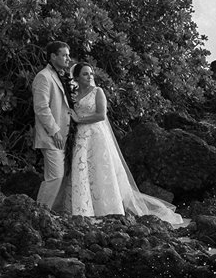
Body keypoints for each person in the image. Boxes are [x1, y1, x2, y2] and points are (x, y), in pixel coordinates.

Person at [68, 62, 185, 226]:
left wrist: (79, 119)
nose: (89, 77)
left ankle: (108, 210)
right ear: (77, 77)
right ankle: (84, 210)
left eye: (91, 73)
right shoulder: (73, 95)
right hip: (81, 137)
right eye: (85, 74)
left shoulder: (97, 92)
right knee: (82, 169)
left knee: (100, 170)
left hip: (96, 135)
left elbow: (101, 115)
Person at [32, 40, 73, 210]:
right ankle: (39, 211)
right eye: (64, 55)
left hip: (64, 136)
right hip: (51, 136)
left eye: (68, 55)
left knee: (62, 177)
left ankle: (53, 212)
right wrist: (55, 132)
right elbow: (41, 108)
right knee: (55, 176)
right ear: (53, 56)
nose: (68, 59)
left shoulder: (59, 76)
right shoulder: (43, 76)